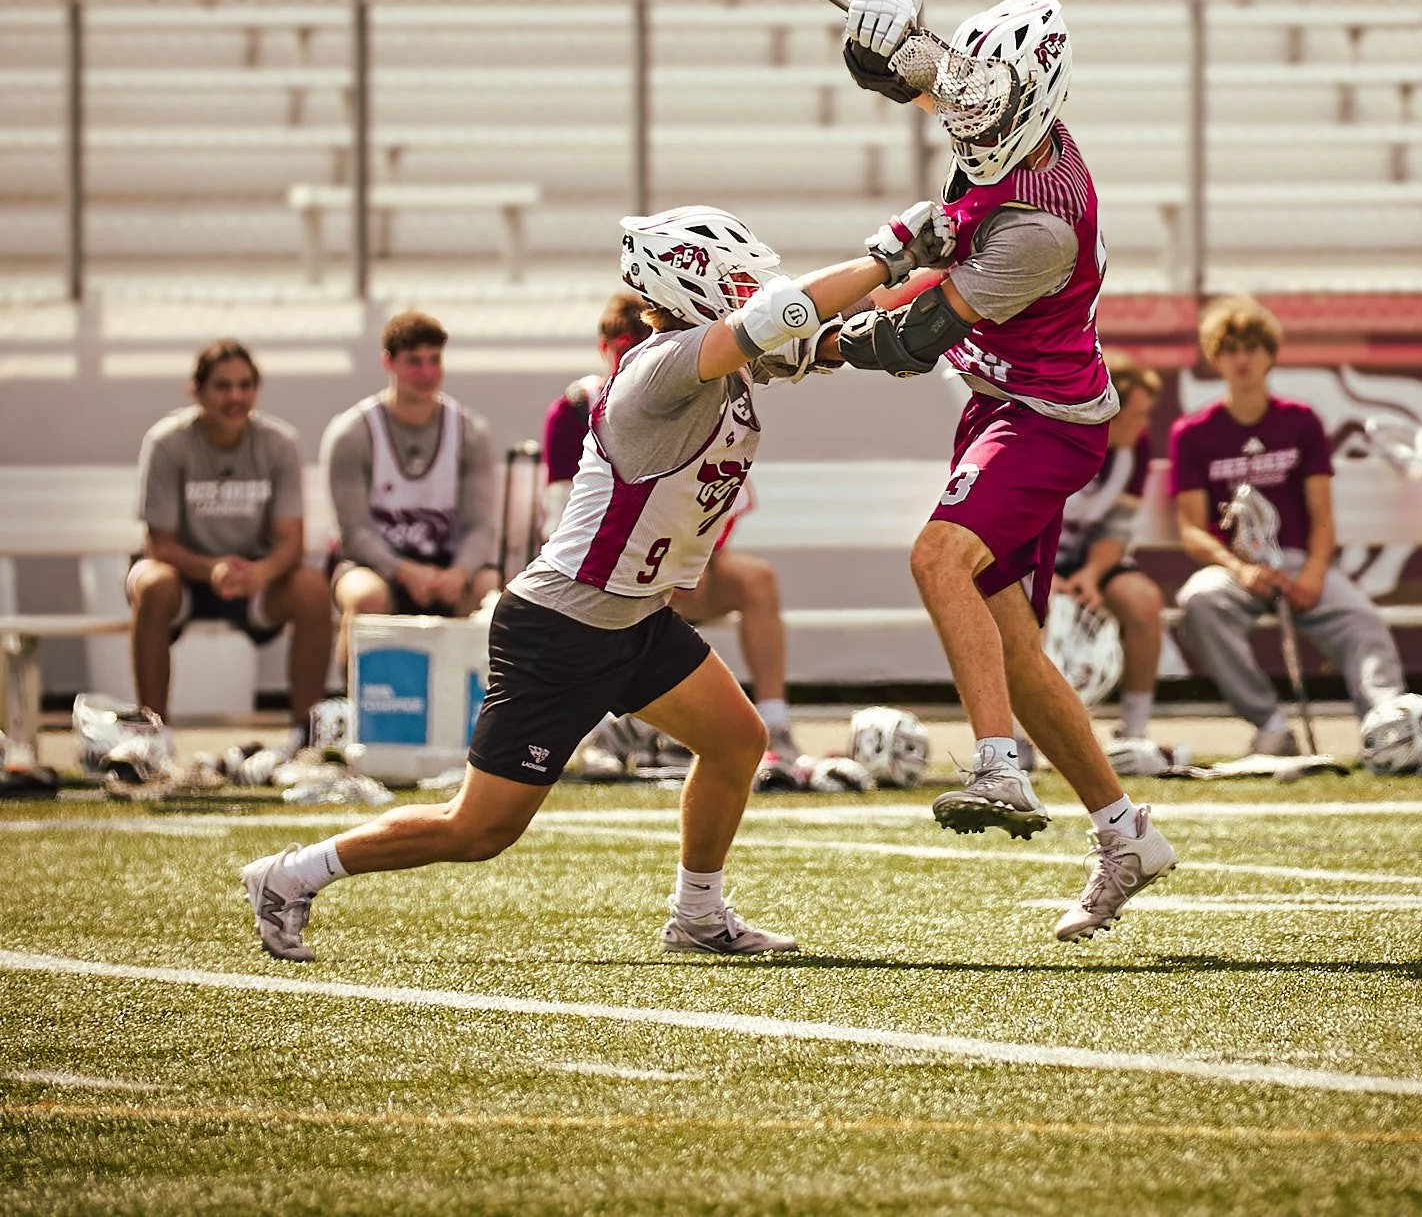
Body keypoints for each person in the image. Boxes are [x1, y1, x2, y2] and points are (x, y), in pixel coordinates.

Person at [242, 207, 900, 964]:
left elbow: (842, 332)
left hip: (635, 616)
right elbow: (791, 314)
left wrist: (948, 280)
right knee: (479, 830)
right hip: (564, 624)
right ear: (690, 279)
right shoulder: (665, 363)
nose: (751, 286)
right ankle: (291, 875)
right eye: (734, 273)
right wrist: (892, 250)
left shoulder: (719, 359)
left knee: (736, 741)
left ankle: (697, 914)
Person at [833, 0, 1176, 940]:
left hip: (1046, 419)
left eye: (981, 108)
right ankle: (1125, 834)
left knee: (936, 555)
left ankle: (997, 762)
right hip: (1001, 403)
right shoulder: (1000, 100)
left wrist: (807, 337)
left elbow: (912, 339)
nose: (962, 121)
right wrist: (881, 18)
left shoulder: (1039, 226)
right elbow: (905, 71)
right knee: (1015, 647)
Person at [544, 289, 799, 766]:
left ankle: (775, 722)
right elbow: (563, 514)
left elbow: (722, 492)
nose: (634, 358)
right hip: (605, 563)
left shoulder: (699, 394)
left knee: (756, 579)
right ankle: (615, 725)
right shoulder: (581, 407)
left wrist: (689, 558)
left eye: (643, 342)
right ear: (606, 349)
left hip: (673, 557)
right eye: (624, 346)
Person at [1171, 294, 1404, 754]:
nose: (1243, 358)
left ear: (1270, 355)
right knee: (1197, 600)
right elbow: (1192, 530)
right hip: (1238, 570)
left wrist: (1315, 574)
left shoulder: (1300, 421)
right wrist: (1241, 570)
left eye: (1253, 347)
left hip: (1300, 563)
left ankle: (1388, 725)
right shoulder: (1193, 433)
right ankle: (1271, 724)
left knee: (1362, 620)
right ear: (1215, 357)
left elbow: (1322, 516)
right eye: (1231, 348)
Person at [129, 340, 333, 758]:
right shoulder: (168, 443)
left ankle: (304, 739)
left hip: (257, 582)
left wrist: (259, 572)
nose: (235, 397)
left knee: (313, 588)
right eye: (222, 386)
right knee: (151, 584)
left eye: (244, 386)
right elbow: (158, 543)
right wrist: (211, 569)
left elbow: (291, 541)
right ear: (196, 390)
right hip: (184, 577)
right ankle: (152, 736)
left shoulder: (279, 443)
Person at [321, 310, 499, 671]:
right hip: (376, 564)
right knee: (366, 596)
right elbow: (354, 532)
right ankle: (356, 705)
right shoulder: (352, 433)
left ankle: (478, 710)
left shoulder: (470, 432)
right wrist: (404, 571)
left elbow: (480, 526)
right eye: (414, 362)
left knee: (492, 593)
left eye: (434, 360)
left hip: (446, 565)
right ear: (389, 362)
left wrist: (459, 572)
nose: (427, 373)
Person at [1053, 353, 1166, 744]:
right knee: (1025, 611)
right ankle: (1018, 741)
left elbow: (1117, 528)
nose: (1144, 423)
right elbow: (1017, 521)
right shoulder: (1056, 432)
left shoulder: (1137, 447)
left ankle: (1134, 730)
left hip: (1090, 557)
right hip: (1030, 556)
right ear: (1110, 408)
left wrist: (1091, 575)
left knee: (1143, 602)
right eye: (1138, 414)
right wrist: (1047, 578)